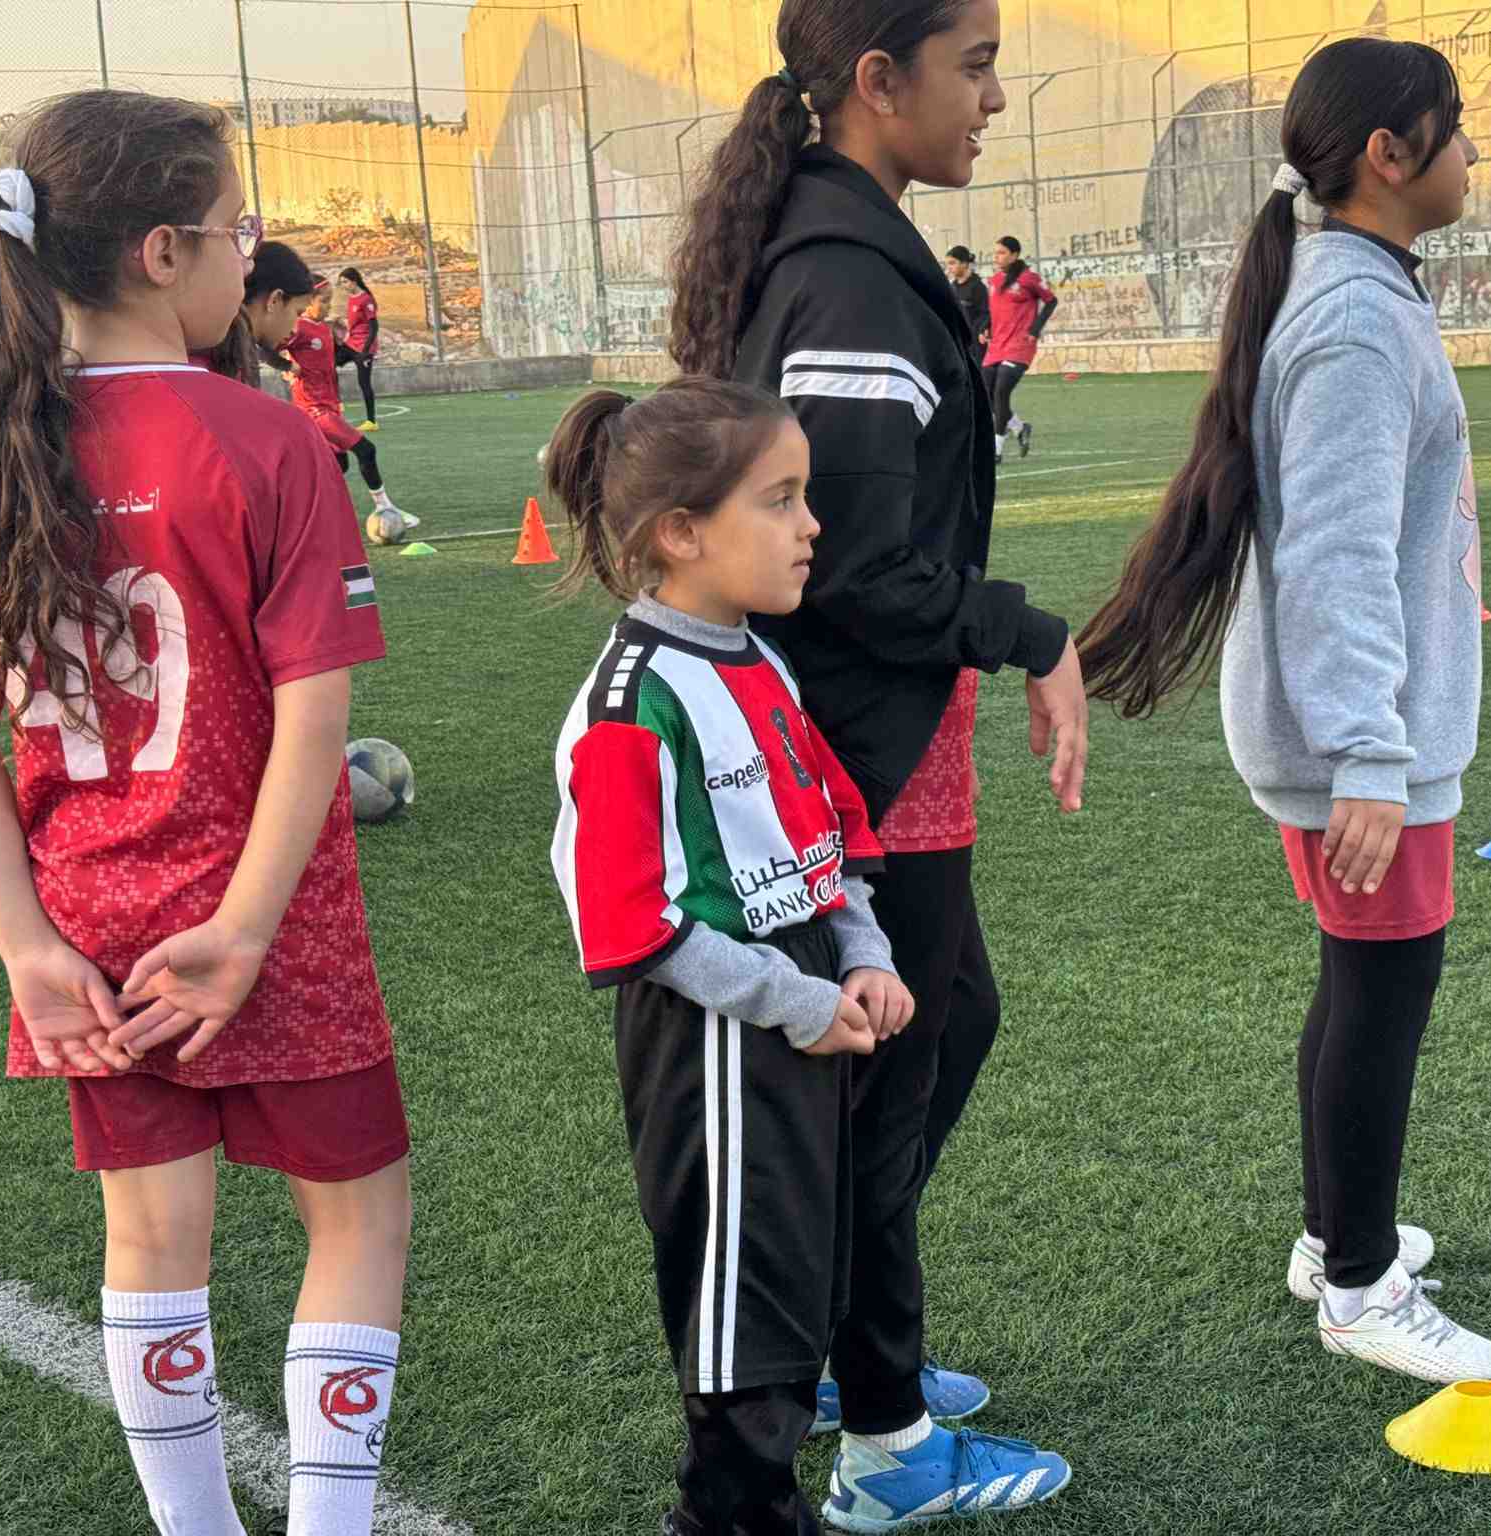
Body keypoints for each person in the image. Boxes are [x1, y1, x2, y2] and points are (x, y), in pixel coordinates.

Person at [0, 90, 412, 1534]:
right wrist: (249, 929)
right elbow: (316, 711)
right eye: (235, 228)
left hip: (86, 926)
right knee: (359, 1216)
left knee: (151, 1237)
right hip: (273, 925)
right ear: (160, 248)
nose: (244, 256)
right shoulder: (265, 442)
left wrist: (23, 947)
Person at [666, 0, 1085, 1527]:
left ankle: (855, 1349)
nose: (993, 98)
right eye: (973, 68)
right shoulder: (844, 274)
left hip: (880, 735)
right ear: (876, 80)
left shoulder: (857, 243)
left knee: (947, 1022)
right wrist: (1030, 634)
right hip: (848, 748)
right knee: (888, 1068)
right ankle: (889, 1446)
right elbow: (833, 564)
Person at [1077, 37, 1491, 1385]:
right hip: (1356, 744)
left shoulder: (1351, 289)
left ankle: (1338, 1240)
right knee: (1386, 985)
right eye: (1456, 130)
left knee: (1361, 977)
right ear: (1391, 156)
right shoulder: (1355, 318)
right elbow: (1333, 549)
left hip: (1350, 733)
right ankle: (1362, 1285)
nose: (1472, 155)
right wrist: (1372, 752)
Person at [544, 376, 917, 1536]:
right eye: (782, 500)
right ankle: (734, 1516)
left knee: (799, 1278)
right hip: (715, 1031)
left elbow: (827, 829)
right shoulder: (630, 702)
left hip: (798, 1000)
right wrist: (788, 998)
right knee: (740, 1308)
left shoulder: (756, 657)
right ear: (681, 532)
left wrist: (857, 951)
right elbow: (626, 923)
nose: (812, 526)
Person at [242, 243, 415, 542]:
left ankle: (315, 517)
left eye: (330, 301)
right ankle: (384, 505)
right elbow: (261, 348)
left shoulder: (324, 329)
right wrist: (286, 365)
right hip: (313, 410)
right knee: (366, 450)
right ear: (308, 303)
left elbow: (333, 357)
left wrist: (357, 355)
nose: (327, 307)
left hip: (330, 406)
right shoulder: (299, 328)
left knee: (338, 464)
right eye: (323, 301)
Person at [981, 236, 1056, 463]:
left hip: (1019, 346)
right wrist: (986, 327)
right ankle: (1020, 428)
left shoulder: (1028, 278)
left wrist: (1035, 329)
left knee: (1001, 391)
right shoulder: (993, 281)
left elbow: (1051, 301)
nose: (997, 257)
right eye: (996, 253)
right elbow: (994, 312)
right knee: (987, 394)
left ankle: (996, 449)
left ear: (1014, 255)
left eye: (1002, 252)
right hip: (997, 345)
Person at [335, 266, 381, 431]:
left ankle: (371, 422)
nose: (344, 285)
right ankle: (336, 402)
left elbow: (374, 327)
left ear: (354, 281)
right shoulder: (352, 298)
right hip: (352, 343)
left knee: (364, 383)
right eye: (341, 283)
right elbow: (355, 324)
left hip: (364, 348)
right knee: (328, 362)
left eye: (345, 282)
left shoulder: (366, 299)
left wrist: (365, 352)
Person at [944, 245, 989, 365]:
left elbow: (985, 312)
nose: (949, 267)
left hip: (975, 342)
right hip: (958, 340)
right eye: (948, 264)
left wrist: (982, 330)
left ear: (964, 264)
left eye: (953, 263)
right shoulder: (952, 287)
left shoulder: (978, 287)